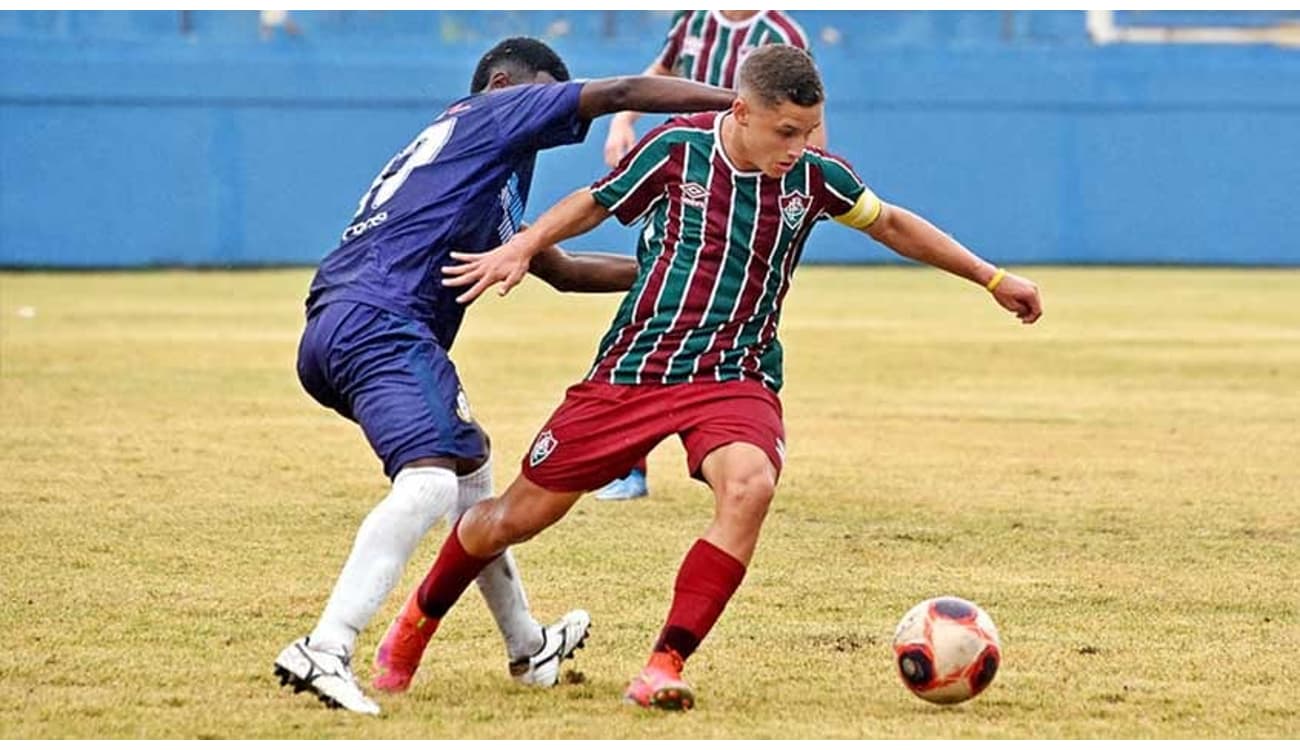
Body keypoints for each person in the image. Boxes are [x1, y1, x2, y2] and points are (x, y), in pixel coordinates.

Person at [374, 45, 1043, 711]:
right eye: (786, 131)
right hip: (636, 370)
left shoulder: (814, 178)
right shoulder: (677, 153)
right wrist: (521, 245)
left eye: (808, 131)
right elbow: (594, 202)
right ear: (742, 111)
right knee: (509, 520)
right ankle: (409, 632)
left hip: (736, 375)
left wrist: (991, 277)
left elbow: (892, 222)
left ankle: (663, 664)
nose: (798, 146)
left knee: (750, 485)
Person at [272, 36, 736, 716]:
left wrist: (677, 274)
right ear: (502, 83)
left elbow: (567, 272)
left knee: (469, 477)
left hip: (346, 322)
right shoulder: (489, 115)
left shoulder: (479, 171)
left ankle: (528, 645)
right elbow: (625, 94)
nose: (548, 120)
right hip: (380, 317)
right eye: (541, 97)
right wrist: (737, 103)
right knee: (429, 481)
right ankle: (326, 645)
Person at [598, 9, 819, 501]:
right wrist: (623, 119)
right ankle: (625, 463)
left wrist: (806, 186)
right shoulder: (694, 19)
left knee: (744, 314)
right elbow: (659, 71)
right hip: (693, 178)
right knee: (653, 302)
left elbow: (801, 117)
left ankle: (746, 435)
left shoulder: (781, 35)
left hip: (751, 194)